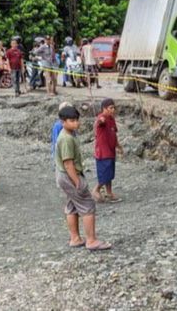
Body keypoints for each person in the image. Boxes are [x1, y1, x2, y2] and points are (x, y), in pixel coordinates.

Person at [55, 106, 112, 251]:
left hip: (62, 175)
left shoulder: (66, 135)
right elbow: (68, 163)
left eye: (77, 120)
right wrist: (77, 181)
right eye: (72, 121)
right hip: (69, 175)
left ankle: (75, 238)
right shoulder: (66, 139)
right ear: (63, 121)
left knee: (72, 205)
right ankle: (91, 240)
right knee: (87, 204)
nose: (76, 123)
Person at [92, 98, 123, 202]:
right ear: (104, 109)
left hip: (111, 150)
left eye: (114, 107)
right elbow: (98, 124)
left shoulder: (111, 119)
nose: (113, 110)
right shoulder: (101, 118)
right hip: (103, 152)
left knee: (110, 173)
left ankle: (109, 193)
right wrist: (100, 121)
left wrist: (118, 146)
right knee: (105, 173)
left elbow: (114, 133)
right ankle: (96, 189)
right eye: (110, 108)